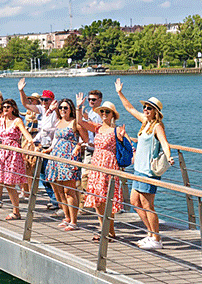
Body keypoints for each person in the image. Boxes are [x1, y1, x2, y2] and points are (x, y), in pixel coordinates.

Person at [115, 78, 175, 250]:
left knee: (148, 204)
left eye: (149, 108)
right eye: (145, 107)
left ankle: (156, 239)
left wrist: (169, 157)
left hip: (148, 171)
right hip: (138, 169)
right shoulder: (145, 122)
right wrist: (120, 92)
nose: (146, 110)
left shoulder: (157, 126)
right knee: (134, 202)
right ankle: (150, 233)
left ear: (156, 112)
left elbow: (164, 143)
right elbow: (129, 108)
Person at [79, 100, 125, 241]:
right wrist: (78, 107)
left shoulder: (117, 130)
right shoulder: (98, 128)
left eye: (107, 112)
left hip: (109, 165)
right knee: (97, 200)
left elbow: (129, 146)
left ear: (113, 115)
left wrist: (122, 139)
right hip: (96, 165)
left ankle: (109, 231)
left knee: (108, 200)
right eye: (102, 112)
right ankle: (105, 230)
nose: (104, 114)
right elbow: (80, 122)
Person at [44, 98, 90, 231]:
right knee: (58, 190)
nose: (63, 110)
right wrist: (50, 111)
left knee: (69, 190)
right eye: (61, 108)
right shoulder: (59, 121)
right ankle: (66, 217)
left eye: (66, 108)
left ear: (71, 109)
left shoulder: (75, 123)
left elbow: (86, 139)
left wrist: (78, 146)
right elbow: (48, 132)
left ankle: (74, 221)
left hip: (69, 157)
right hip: (56, 157)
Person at [0, 99, 37, 220]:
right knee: (1, 181)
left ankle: (16, 211)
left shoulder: (17, 120)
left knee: (10, 183)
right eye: (3, 107)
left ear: (13, 108)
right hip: (2, 152)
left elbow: (25, 133)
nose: (5, 109)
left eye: (8, 107)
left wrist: (31, 142)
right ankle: (12, 208)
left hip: (13, 153)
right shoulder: (2, 120)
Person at [17, 78, 59, 210]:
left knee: (51, 176)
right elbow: (26, 104)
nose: (44, 102)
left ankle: (58, 202)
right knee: (43, 175)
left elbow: (57, 119)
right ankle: (54, 200)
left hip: (51, 147)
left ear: (52, 100)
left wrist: (53, 109)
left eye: (47, 100)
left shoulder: (56, 111)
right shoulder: (41, 109)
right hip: (41, 146)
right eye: (42, 100)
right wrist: (21, 91)